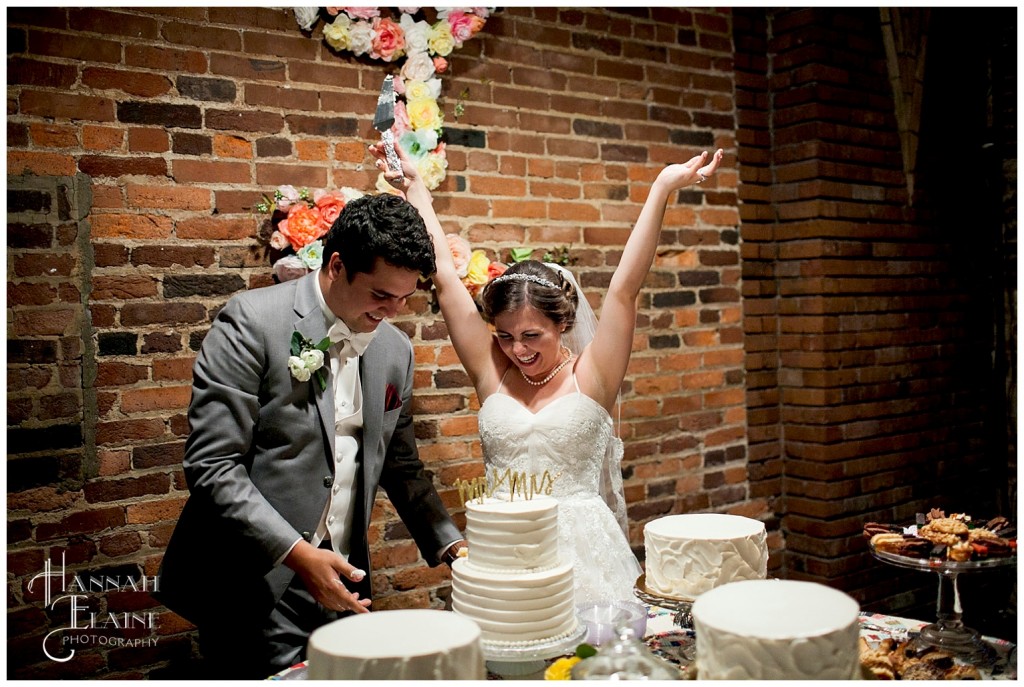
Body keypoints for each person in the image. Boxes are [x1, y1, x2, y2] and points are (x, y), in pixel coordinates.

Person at [370, 141, 725, 607]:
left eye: (532, 336)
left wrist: (661, 187)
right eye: (505, 336)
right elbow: (445, 278)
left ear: (563, 324)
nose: (517, 350)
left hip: (586, 562)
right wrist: (417, 189)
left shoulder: (594, 374)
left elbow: (624, 289)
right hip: (504, 553)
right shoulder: (490, 370)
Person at [155, 193, 466, 679]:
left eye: (405, 298)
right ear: (337, 265)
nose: (393, 311)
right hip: (256, 582)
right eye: (381, 296)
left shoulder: (395, 350)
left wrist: (451, 546)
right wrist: (299, 556)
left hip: (344, 576)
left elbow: (401, 465)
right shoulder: (251, 323)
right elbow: (212, 467)